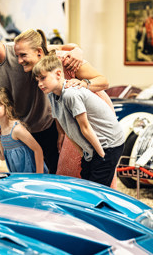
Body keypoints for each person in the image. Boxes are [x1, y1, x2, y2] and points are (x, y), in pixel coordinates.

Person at [0, 23, 82, 174]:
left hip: (45, 125)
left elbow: (67, 48)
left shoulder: (20, 50)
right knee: (26, 177)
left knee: (55, 176)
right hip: (18, 133)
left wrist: (78, 51)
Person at [13, 29, 117, 184]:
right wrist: (61, 132)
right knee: (74, 166)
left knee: (95, 166)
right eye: (17, 56)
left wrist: (83, 84)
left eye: (23, 55)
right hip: (72, 118)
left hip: (90, 114)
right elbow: (56, 105)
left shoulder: (65, 60)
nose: (19, 61)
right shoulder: (42, 72)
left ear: (39, 52)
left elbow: (104, 81)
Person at [32, 55, 125, 186]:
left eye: (43, 78)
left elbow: (85, 128)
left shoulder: (71, 94)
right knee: (86, 181)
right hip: (93, 146)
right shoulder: (52, 95)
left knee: (97, 188)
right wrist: (85, 155)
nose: (40, 84)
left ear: (59, 74)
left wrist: (101, 156)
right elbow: (69, 130)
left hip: (108, 144)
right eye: (37, 80)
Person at [0, 88, 48, 174]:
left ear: (8, 108)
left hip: (32, 175)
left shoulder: (16, 129)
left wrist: (39, 176)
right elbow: (2, 156)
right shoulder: (1, 130)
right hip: (19, 177)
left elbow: (38, 150)